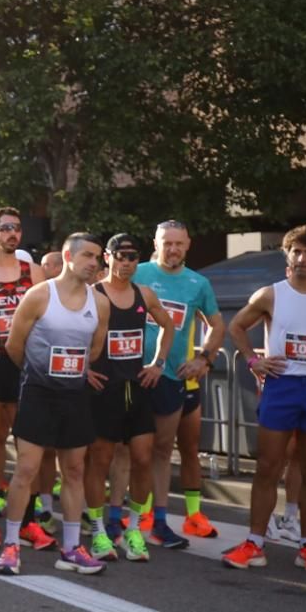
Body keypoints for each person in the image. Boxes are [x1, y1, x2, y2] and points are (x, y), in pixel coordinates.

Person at [0, 234, 111, 576]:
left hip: (74, 395)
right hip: (38, 391)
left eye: (98, 257)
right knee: (27, 469)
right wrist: (41, 369)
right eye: (88, 255)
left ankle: (71, 548)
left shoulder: (98, 302)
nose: (94, 263)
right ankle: (11, 545)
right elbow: (15, 346)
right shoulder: (39, 295)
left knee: (74, 471)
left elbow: (95, 350)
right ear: (68, 256)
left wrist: (72, 370)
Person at [222, 225, 306, 574]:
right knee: (268, 467)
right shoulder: (270, 294)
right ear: (288, 256)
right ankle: (255, 542)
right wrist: (254, 360)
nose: (301, 258)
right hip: (282, 387)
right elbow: (236, 326)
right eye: (295, 252)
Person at [82, 235, 173, 562]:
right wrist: (82, 369)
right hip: (104, 387)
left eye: (133, 257)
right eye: (120, 256)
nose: (127, 263)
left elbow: (168, 326)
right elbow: (70, 330)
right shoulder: (93, 295)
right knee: (101, 460)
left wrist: (159, 364)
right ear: (108, 258)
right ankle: (98, 531)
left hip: (137, 387)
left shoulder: (143, 294)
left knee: (143, 458)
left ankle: (133, 529)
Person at [134, 220, 224, 544]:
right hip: (130, 373)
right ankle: (119, 517)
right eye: (166, 243)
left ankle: (157, 520)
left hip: (171, 376)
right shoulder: (136, 272)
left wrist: (204, 359)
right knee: (123, 450)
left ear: (188, 245)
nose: (172, 249)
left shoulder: (197, 283)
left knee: (162, 450)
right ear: (155, 243)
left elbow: (217, 324)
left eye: (178, 244)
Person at [0, 208, 47, 549]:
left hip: (26, 365)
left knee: (28, 446)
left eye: (16, 228)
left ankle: (29, 521)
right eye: (4, 228)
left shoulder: (33, 272)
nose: (11, 234)